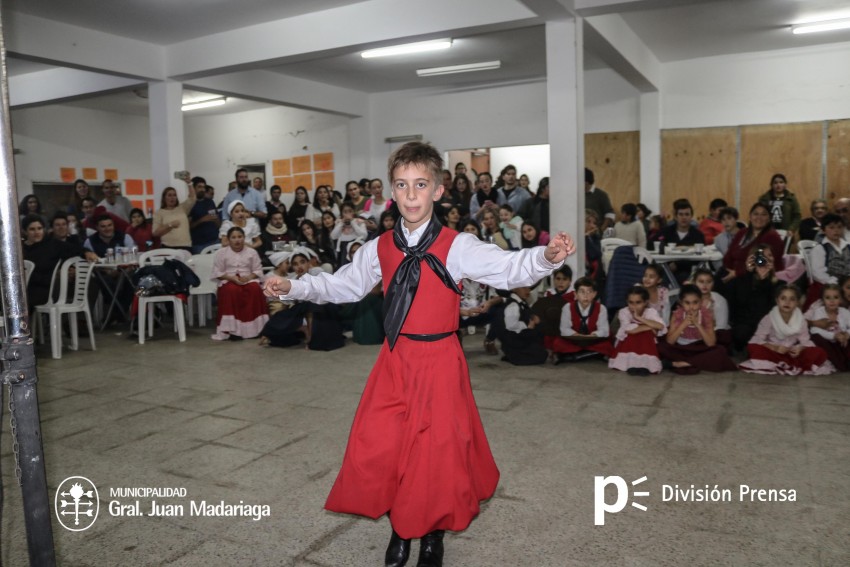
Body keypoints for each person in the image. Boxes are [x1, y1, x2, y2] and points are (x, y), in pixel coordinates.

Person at [263, 141, 574, 567]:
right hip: (395, 360)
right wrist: (294, 287)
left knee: (436, 452)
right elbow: (343, 286)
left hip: (440, 360)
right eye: (402, 186)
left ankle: (430, 535)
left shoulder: (458, 245)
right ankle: (400, 526)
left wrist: (546, 257)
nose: (411, 195)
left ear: (438, 191)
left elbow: (507, 267)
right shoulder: (379, 247)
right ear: (392, 191)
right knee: (387, 446)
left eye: (421, 185)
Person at [739, 284, 833, 375]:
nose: (787, 302)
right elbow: (757, 339)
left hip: (791, 353)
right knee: (753, 348)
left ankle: (787, 364)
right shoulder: (769, 318)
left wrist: (799, 348)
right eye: (783, 298)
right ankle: (782, 364)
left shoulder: (801, 320)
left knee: (819, 352)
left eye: (792, 299)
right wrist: (775, 348)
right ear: (777, 300)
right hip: (773, 352)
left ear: (797, 302)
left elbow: (806, 341)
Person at [658, 285, 737, 374]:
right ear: (681, 303)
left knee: (720, 350)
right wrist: (683, 324)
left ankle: (682, 363)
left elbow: (711, 343)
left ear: (701, 302)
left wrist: (697, 324)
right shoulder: (677, 314)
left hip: (699, 348)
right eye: (687, 303)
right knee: (661, 347)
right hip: (680, 347)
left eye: (695, 302)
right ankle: (695, 362)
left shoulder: (706, 314)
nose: (691, 307)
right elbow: (670, 341)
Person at [22, 215, 92, 310]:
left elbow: (74, 249)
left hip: (45, 289)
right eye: (32, 229)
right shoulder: (20, 248)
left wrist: (86, 252)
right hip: (24, 287)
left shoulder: (51, 244)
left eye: (39, 228)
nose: (37, 232)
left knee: (18, 301)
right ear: (25, 231)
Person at [211, 227, 268, 341]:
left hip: (248, 279)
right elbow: (217, 272)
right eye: (234, 237)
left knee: (255, 289)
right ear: (228, 239)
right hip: (228, 279)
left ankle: (255, 330)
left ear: (244, 238)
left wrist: (249, 277)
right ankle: (233, 331)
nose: (237, 240)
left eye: (240, 237)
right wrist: (231, 278)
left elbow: (258, 271)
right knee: (231, 290)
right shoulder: (221, 253)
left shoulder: (252, 252)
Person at [729, 245, 781, 352]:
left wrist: (765, 282)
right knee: (741, 333)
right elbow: (742, 303)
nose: (766, 260)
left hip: (770, 325)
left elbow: (772, 307)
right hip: (747, 324)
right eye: (762, 257)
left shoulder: (779, 284)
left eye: (770, 255)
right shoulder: (741, 281)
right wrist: (748, 274)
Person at [721, 202, 785, 287]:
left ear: (769, 218)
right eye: (756, 214)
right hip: (733, 273)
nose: (759, 217)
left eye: (764, 214)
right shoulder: (742, 232)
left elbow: (763, 263)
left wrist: (737, 273)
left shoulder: (772, 237)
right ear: (750, 217)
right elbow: (728, 255)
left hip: (757, 278)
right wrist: (728, 270)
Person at [552, 277, 613, 363]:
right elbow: (564, 329)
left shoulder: (601, 308)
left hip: (593, 340)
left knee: (607, 345)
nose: (586, 295)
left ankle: (571, 357)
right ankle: (593, 355)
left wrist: (592, 336)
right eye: (582, 292)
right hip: (574, 340)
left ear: (594, 294)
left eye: (589, 292)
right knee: (558, 343)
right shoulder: (568, 307)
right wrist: (577, 335)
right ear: (575, 294)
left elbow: (604, 330)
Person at [608, 286, 666, 375]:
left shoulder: (651, 312)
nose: (634, 306)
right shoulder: (624, 312)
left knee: (646, 334)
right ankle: (630, 364)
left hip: (646, 344)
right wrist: (649, 326)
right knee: (638, 333)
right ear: (627, 302)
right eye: (631, 302)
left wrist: (639, 318)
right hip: (627, 343)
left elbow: (661, 326)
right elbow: (629, 330)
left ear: (646, 302)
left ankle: (646, 365)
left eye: (638, 302)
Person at [497, 285, 548, 366]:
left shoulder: (522, 302)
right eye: (524, 288)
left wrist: (533, 317)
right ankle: (514, 356)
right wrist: (527, 325)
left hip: (518, 338)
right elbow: (511, 325)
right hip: (513, 341)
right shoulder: (513, 305)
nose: (527, 291)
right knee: (541, 355)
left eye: (529, 288)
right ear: (514, 288)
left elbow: (525, 314)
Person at [805, 283, 850, 371]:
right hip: (827, 343)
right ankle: (840, 363)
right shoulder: (819, 312)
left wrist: (847, 334)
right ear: (823, 300)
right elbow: (814, 330)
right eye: (828, 298)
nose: (832, 301)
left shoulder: (844, 312)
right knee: (815, 337)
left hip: (842, 342)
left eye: (836, 297)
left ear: (840, 299)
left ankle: (846, 360)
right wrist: (834, 336)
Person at [658, 199, 705, 282]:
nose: (684, 217)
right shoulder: (665, 232)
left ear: (691, 217)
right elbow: (655, 247)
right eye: (681, 214)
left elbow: (700, 257)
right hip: (666, 269)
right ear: (676, 216)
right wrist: (669, 264)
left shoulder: (698, 235)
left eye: (687, 214)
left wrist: (677, 265)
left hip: (689, 272)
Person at [691, 268, 731, 350]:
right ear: (694, 283)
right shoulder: (689, 298)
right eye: (701, 282)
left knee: (722, 337)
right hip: (693, 334)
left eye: (709, 282)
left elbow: (721, 326)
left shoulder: (720, 300)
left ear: (713, 283)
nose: (705, 285)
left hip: (715, 334)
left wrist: (705, 333)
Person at [153, 183, 196, 251]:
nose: (172, 198)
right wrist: (170, 225)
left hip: (185, 245)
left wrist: (189, 183)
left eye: (174, 195)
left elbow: (192, 198)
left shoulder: (182, 208)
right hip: (168, 247)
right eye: (169, 195)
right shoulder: (159, 213)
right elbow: (155, 233)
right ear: (164, 198)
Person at [188, 176, 221, 253]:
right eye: (199, 187)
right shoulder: (189, 204)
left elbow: (218, 223)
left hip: (215, 241)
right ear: (193, 188)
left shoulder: (210, 202)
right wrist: (202, 220)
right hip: (199, 244)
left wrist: (216, 220)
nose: (202, 189)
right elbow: (188, 226)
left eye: (203, 187)